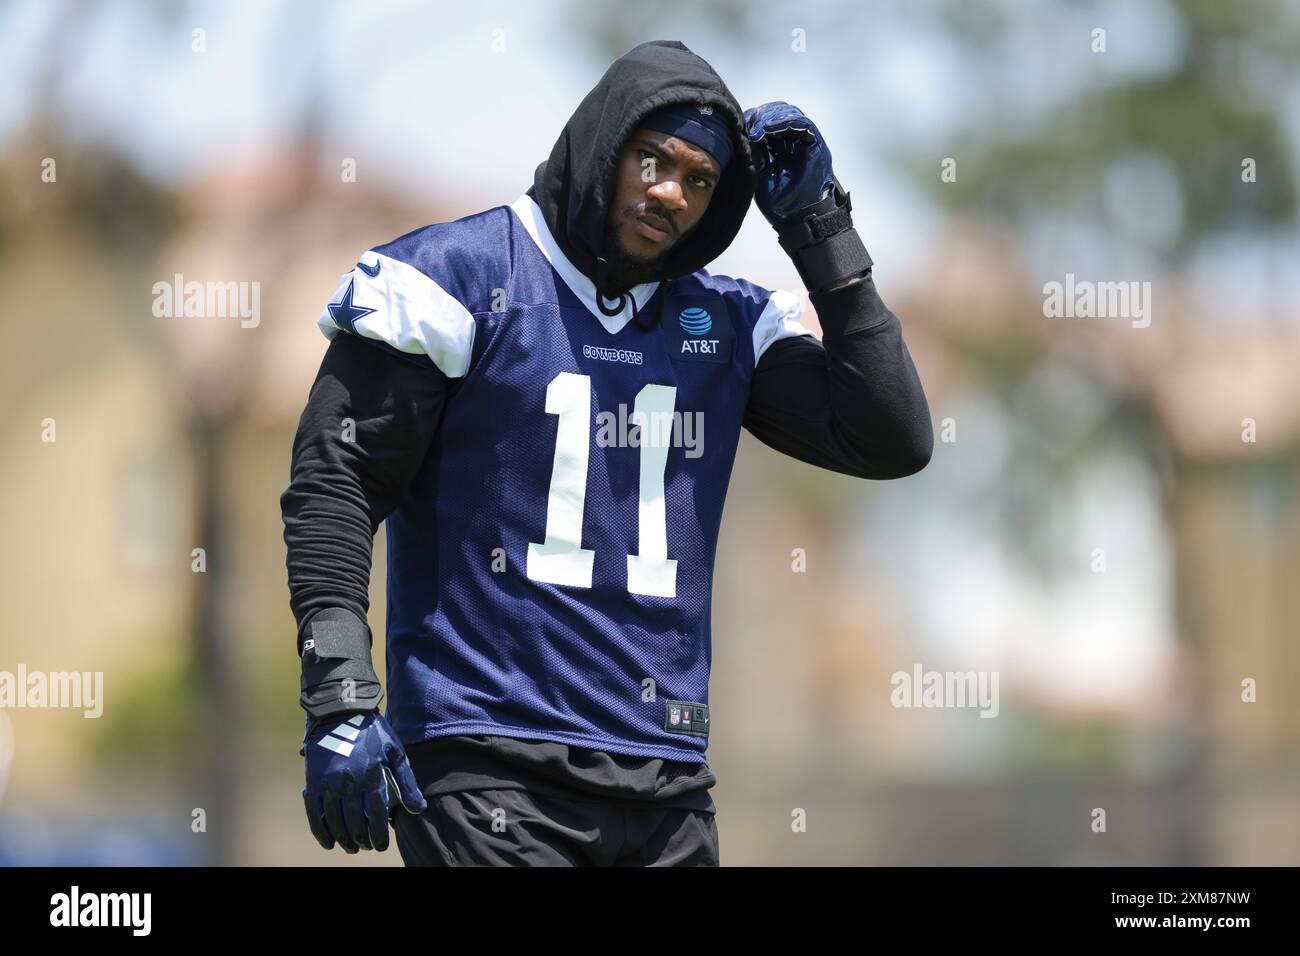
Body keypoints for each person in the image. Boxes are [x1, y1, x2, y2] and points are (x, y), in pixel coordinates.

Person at [281, 39, 932, 867]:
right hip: (490, 765)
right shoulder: (455, 279)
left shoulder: (723, 322)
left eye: (700, 180)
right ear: (603, 143)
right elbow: (336, 484)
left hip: (666, 781)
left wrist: (822, 231)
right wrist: (339, 691)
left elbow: (893, 437)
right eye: (652, 159)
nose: (671, 193)